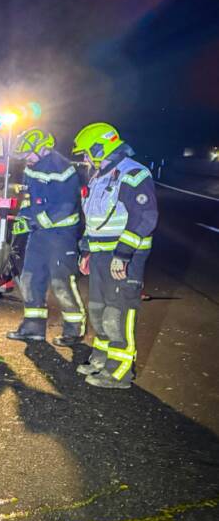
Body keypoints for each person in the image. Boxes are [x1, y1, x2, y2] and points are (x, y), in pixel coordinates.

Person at [72, 122, 158, 389]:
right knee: (99, 310)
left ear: (99, 148)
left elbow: (145, 218)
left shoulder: (133, 173)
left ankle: (119, 372)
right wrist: (86, 250)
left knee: (117, 313)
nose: (85, 159)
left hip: (123, 258)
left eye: (86, 153)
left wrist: (123, 255)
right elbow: (94, 220)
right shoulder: (99, 176)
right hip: (100, 255)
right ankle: (101, 359)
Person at [6, 128, 86, 346]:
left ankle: (73, 330)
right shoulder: (32, 167)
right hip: (38, 234)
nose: (26, 159)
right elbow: (29, 198)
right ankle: (33, 327)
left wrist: (37, 221)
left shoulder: (62, 169)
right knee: (30, 279)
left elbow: (66, 206)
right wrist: (23, 217)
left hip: (61, 236)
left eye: (28, 154)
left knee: (61, 283)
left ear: (43, 148)